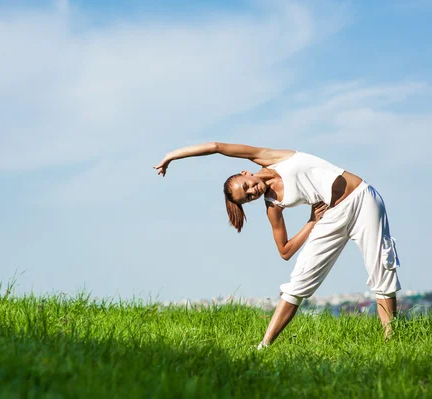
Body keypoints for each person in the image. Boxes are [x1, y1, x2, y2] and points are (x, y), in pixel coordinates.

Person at [154, 142, 401, 347]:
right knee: (298, 282)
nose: (252, 192)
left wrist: (172, 156)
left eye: (247, 186)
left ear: (245, 173)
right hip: (331, 216)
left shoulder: (271, 158)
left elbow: (217, 147)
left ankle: (392, 343)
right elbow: (285, 251)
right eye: (248, 197)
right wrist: (311, 221)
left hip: (361, 199)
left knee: (382, 270)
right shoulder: (272, 206)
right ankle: (264, 347)